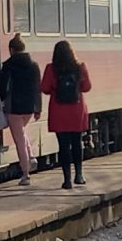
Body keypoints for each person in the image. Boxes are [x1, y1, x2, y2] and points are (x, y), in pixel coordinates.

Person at [43, 39, 94, 188]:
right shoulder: (80, 67)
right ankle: (79, 175)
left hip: (58, 112)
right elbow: (87, 87)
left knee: (63, 146)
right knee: (77, 143)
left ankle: (66, 180)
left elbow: (45, 88)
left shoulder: (51, 68)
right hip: (76, 110)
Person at [0, 34, 42, 181]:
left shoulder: (8, 66)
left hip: (13, 107)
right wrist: (38, 109)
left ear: (11, 49)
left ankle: (26, 173)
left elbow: (3, 88)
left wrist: (0, 100)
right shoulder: (34, 65)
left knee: (19, 139)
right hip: (28, 107)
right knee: (21, 133)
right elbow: (37, 88)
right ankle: (31, 157)